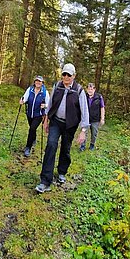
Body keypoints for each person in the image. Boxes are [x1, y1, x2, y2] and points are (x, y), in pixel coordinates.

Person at [35, 63, 89, 193]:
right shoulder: (57, 86)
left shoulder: (79, 90)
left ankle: (62, 172)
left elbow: (84, 111)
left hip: (70, 125)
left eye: (68, 75)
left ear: (74, 76)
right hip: (56, 122)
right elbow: (50, 104)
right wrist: (46, 120)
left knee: (65, 148)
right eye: (64, 74)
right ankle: (45, 181)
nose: (66, 77)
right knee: (51, 145)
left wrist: (83, 131)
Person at [20, 76, 50, 157]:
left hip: (39, 115)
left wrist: (45, 105)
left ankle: (28, 147)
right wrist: (22, 101)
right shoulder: (30, 90)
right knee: (32, 128)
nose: (38, 83)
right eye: (36, 81)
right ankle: (34, 138)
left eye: (39, 81)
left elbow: (49, 104)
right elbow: (25, 98)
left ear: (42, 83)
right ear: (34, 82)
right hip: (29, 114)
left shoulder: (45, 92)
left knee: (32, 128)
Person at [80, 83, 105, 151]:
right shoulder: (84, 96)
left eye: (91, 89)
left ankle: (92, 145)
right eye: (88, 89)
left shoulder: (99, 97)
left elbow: (102, 108)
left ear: (94, 89)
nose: (90, 90)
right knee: (84, 132)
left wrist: (102, 118)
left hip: (95, 119)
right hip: (86, 119)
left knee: (94, 133)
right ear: (86, 89)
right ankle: (82, 146)